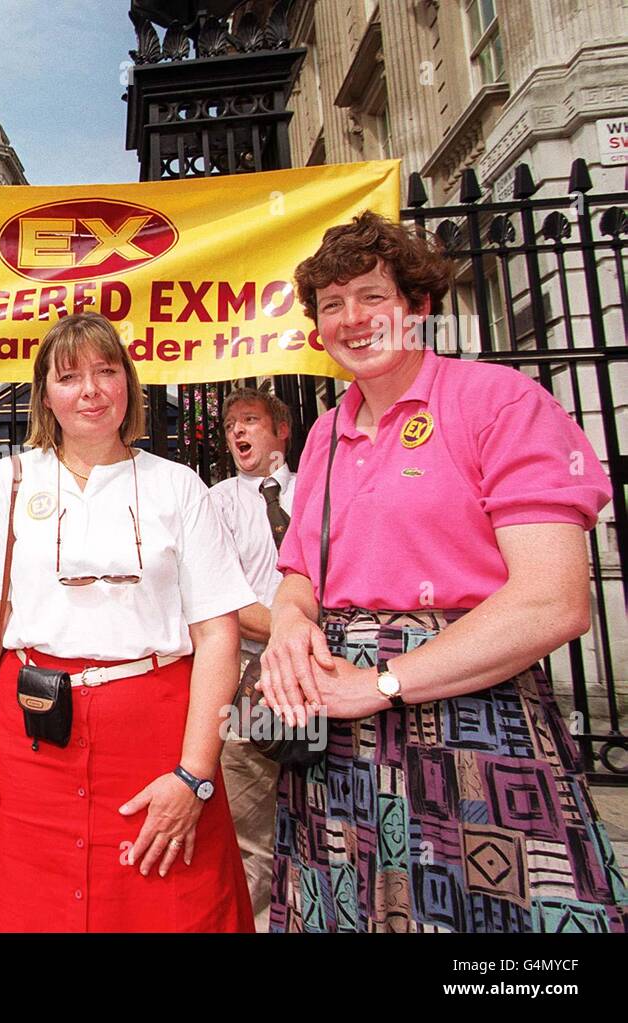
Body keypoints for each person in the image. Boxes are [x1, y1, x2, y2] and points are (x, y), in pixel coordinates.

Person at [260, 211, 626, 933]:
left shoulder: (500, 400)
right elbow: (299, 570)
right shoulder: (328, 428)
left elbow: (553, 601)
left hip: (473, 728)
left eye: (371, 296)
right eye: (332, 305)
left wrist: (384, 684)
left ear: (418, 306)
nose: (352, 319)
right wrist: (289, 623)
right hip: (338, 739)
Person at [0, 312, 258, 932]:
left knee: (171, 906)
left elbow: (217, 634)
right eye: (69, 376)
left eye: (105, 371)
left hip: (160, 743)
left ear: (128, 386)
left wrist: (194, 776)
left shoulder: (179, 485)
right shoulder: (8, 481)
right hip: (31, 744)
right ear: (45, 396)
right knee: (27, 912)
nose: (89, 390)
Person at [207, 386, 294, 931]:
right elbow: (221, 599)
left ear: (280, 431)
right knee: (246, 812)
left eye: (251, 421)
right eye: (231, 424)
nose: (238, 432)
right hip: (246, 675)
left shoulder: (317, 490)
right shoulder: (215, 503)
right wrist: (292, 631)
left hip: (325, 670)